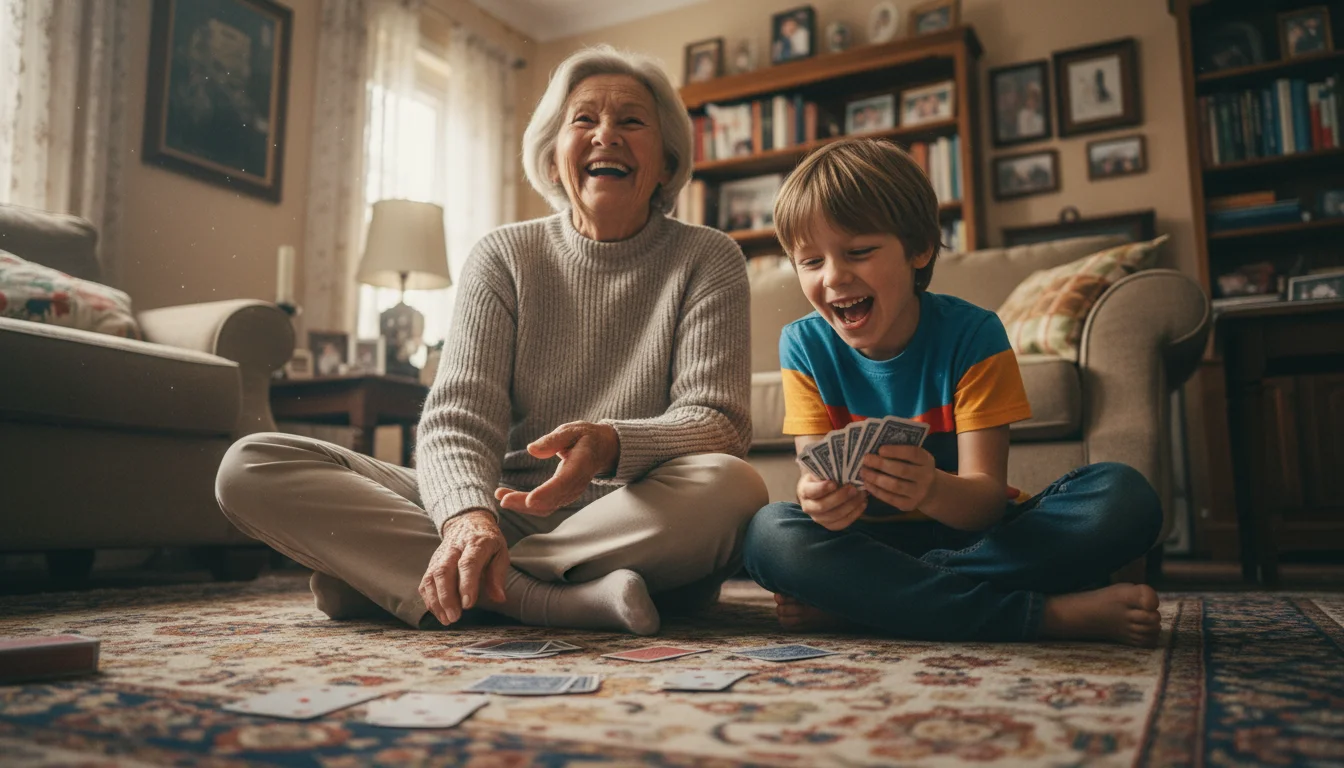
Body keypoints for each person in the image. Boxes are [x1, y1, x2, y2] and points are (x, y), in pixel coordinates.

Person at [215, 45, 767, 637]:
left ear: (666, 164)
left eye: (631, 121)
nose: (607, 135)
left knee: (733, 486)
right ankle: (535, 597)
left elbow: (718, 423)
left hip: (628, 517)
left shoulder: (709, 258)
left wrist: (611, 444)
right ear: (554, 161)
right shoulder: (503, 255)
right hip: (501, 509)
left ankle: (402, 579)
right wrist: (466, 518)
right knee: (250, 464)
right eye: (584, 120)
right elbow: (458, 417)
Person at [741, 138, 1164, 646]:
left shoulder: (973, 334)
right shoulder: (803, 343)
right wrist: (819, 503)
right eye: (810, 262)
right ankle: (1042, 616)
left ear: (920, 248)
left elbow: (985, 502)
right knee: (768, 535)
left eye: (859, 252)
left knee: (1124, 498)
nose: (834, 276)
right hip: (867, 541)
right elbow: (815, 476)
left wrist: (932, 489)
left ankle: (867, 601)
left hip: (978, 536)